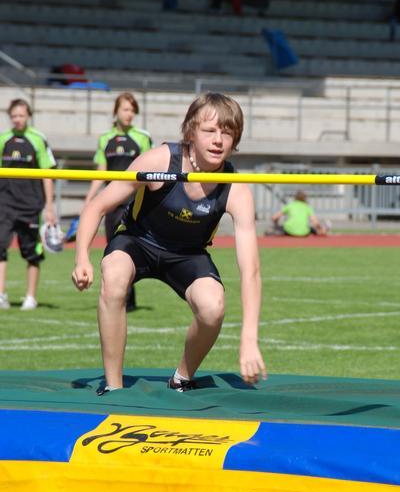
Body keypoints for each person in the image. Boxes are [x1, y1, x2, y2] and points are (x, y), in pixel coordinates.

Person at [72, 92, 266, 394]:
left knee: (213, 307)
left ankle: (182, 377)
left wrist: (249, 339)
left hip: (188, 255)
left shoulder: (236, 189)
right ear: (191, 132)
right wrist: (82, 257)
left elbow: (250, 271)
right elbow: (96, 207)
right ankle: (114, 386)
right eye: (209, 130)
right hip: (137, 241)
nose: (218, 140)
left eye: (227, 133)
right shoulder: (160, 160)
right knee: (114, 274)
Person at [82, 92, 153, 311]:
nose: (129, 114)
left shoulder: (142, 137)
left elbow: (150, 170)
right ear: (116, 112)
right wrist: (90, 198)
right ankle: (120, 295)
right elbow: (101, 171)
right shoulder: (105, 139)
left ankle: (127, 299)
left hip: (133, 202)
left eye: (133, 110)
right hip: (111, 203)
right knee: (113, 247)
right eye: (125, 109)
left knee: (129, 246)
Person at [0, 99, 57, 311]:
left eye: (21, 115)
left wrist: (49, 207)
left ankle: (31, 297)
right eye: (14, 116)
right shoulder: (3, 139)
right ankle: (1, 295)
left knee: (32, 252)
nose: (17, 119)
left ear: (28, 116)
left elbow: (47, 175)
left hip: (31, 205)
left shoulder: (38, 139)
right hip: (5, 203)